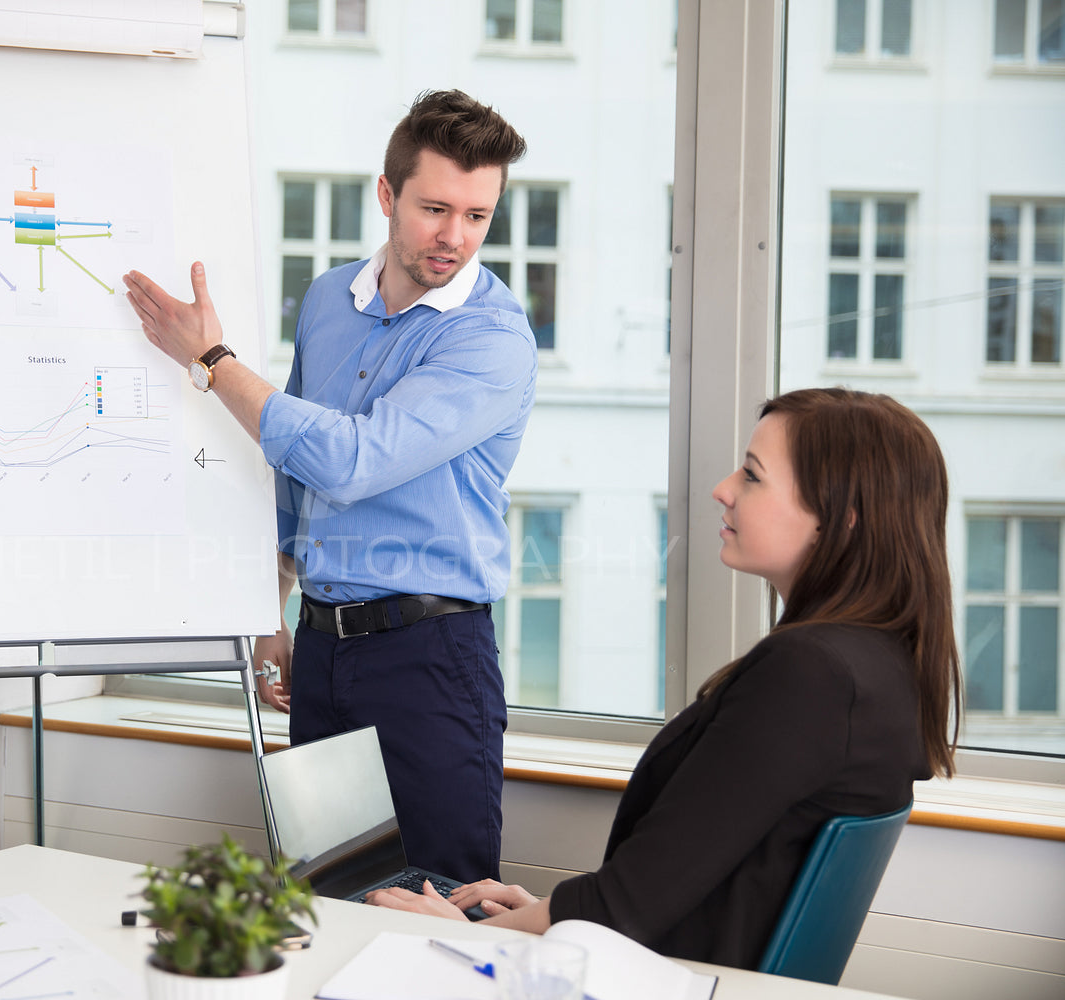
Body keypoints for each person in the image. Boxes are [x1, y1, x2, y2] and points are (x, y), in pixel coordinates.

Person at [368, 388, 962, 969]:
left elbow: (627, 907)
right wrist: (544, 915)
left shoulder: (812, 675)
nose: (722, 489)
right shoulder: (879, 663)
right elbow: (675, 887)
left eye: (752, 476)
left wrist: (476, 939)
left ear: (842, 521)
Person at [123, 90, 534, 882]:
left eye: (478, 217)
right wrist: (270, 602)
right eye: (436, 208)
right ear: (387, 195)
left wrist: (213, 362)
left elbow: (352, 460)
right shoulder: (326, 300)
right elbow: (295, 472)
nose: (455, 237)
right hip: (320, 650)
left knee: (441, 911)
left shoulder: (492, 338)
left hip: (432, 660)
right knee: (323, 897)